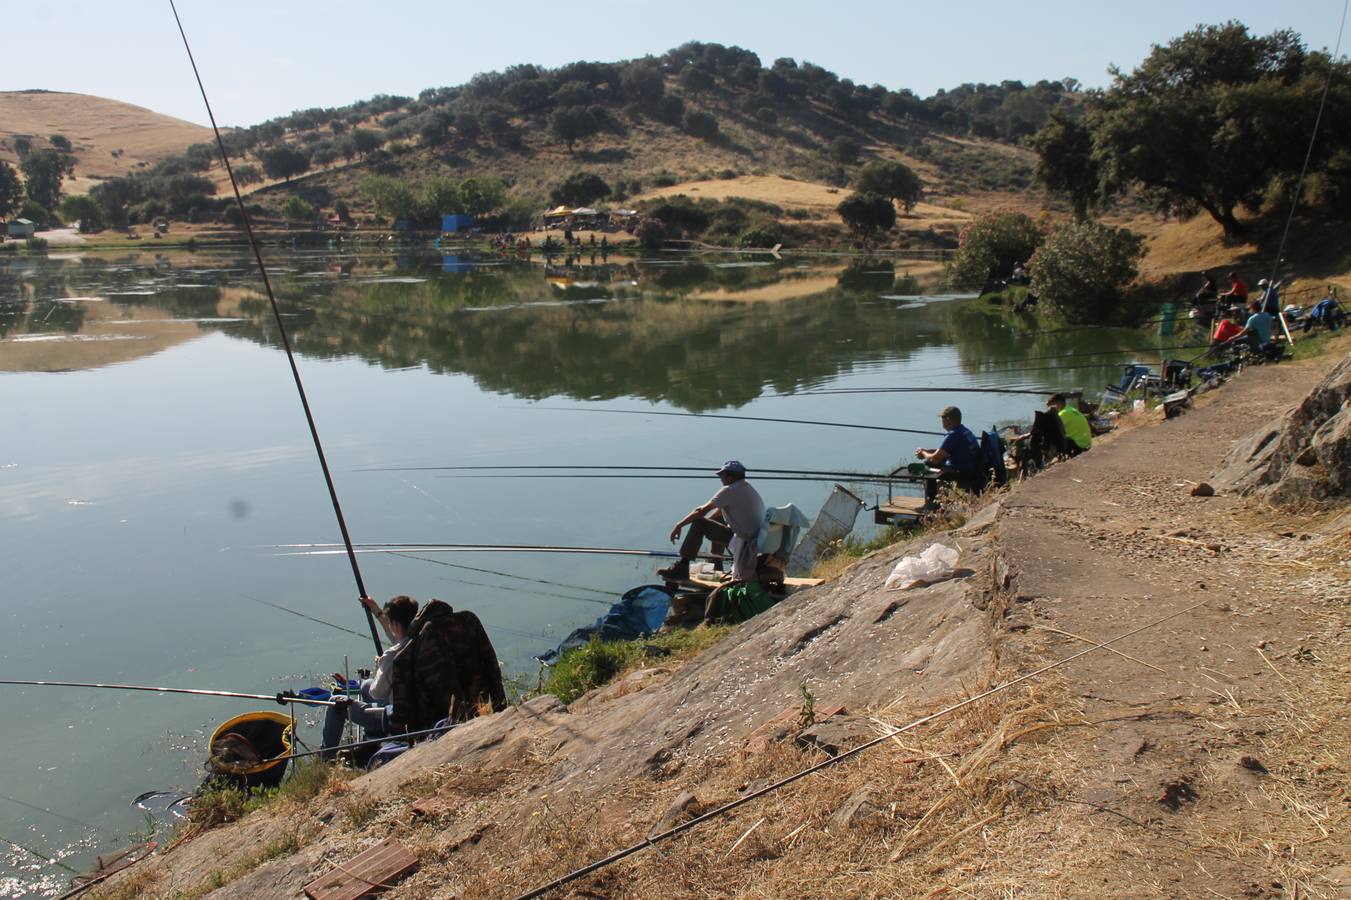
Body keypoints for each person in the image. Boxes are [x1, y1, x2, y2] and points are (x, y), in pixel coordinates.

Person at [320, 595, 418, 759]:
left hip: (396, 718)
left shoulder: (392, 656)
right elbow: (394, 634)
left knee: (335, 704)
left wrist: (379, 668)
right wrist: (375, 610)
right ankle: (371, 741)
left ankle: (325, 759)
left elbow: (376, 693)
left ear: (395, 623)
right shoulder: (417, 640)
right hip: (416, 707)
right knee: (365, 684)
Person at [658, 461, 764, 583]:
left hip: (745, 543)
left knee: (699, 523)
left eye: (721, 476)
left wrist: (679, 525)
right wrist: (709, 525)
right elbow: (719, 511)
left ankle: (682, 567)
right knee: (715, 520)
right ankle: (716, 563)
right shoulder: (747, 487)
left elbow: (700, 511)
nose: (720, 479)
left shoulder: (729, 490)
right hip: (755, 537)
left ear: (730, 477)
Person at [914, 406, 985, 506]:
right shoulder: (964, 431)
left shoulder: (953, 435)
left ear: (948, 419)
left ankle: (933, 503)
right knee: (935, 462)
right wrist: (926, 451)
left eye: (942, 418)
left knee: (929, 464)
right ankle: (941, 498)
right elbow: (944, 451)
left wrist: (923, 454)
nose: (941, 421)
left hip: (962, 472)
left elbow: (935, 458)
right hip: (973, 469)